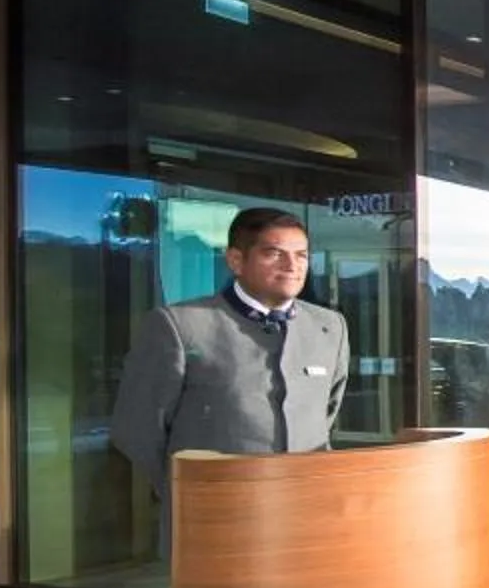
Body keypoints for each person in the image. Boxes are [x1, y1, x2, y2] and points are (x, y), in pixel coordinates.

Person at [108, 209, 353, 528]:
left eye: (301, 255)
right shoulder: (180, 325)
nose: (292, 266)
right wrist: (189, 493)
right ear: (236, 260)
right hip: (214, 521)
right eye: (274, 253)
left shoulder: (330, 326)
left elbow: (325, 413)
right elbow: (137, 428)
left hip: (308, 517)